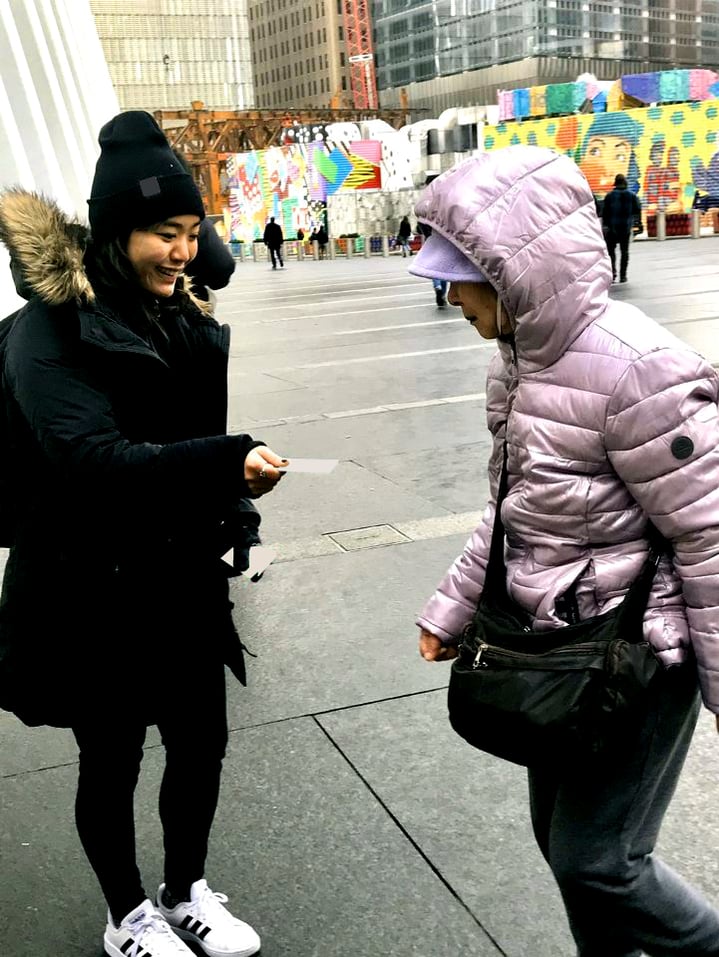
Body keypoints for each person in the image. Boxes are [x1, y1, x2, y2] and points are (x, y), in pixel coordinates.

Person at [410, 145, 719, 957]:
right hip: (559, 648)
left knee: (601, 861)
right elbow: (513, 509)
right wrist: (451, 604)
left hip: (641, 656)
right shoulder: (515, 363)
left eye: (459, 276)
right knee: (563, 846)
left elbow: (709, 535)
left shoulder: (639, 369)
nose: (451, 295)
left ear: (514, 270)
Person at [0, 111, 290, 957]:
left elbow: (189, 437)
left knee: (201, 742)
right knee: (114, 753)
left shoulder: (182, 317)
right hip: (85, 580)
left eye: (192, 234)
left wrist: (236, 507)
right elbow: (95, 459)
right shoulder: (46, 333)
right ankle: (127, 913)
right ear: (118, 230)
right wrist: (228, 459)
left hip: (179, 576)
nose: (182, 251)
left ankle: (185, 888)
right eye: (166, 233)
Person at [172, 151, 235, 303]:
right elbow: (221, 269)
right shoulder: (191, 215)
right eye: (167, 236)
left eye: (191, 237)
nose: (181, 255)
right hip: (185, 305)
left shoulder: (133, 199)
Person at [602, 172, 642, 283]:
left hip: (612, 228)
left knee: (611, 252)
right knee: (624, 251)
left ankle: (613, 274)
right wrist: (637, 223)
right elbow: (637, 210)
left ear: (615, 183)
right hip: (625, 227)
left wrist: (605, 226)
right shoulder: (632, 196)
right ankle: (623, 276)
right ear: (625, 182)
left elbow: (605, 213)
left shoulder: (609, 196)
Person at [416, 221, 446, 308]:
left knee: (434, 269)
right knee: (443, 270)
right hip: (443, 244)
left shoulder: (425, 218)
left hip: (431, 243)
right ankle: (442, 294)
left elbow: (419, 228)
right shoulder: (440, 216)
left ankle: (438, 286)